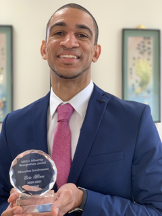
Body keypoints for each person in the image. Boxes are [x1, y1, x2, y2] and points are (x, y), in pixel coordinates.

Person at [0, 3, 162, 216]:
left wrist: (83, 200)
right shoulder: (13, 124)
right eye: (59, 32)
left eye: (82, 35)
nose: (69, 41)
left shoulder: (134, 120)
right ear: (43, 49)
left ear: (96, 52)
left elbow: (156, 210)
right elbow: (2, 200)